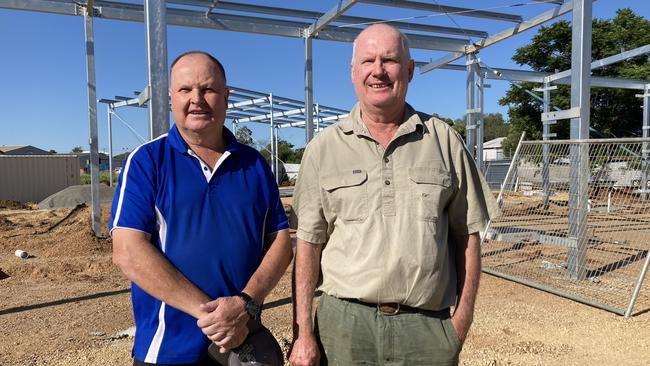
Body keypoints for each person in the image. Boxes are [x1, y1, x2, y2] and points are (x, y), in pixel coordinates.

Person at [289, 24, 498, 366]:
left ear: (410, 70)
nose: (378, 70)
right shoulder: (323, 149)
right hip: (342, 329)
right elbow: (309, 245)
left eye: (390, 60)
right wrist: (304, 333)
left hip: (426, 331)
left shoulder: (443, 141)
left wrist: (460, 323)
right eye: (368, 61)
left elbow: (468, 235)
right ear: (353, 72)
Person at [110, 51, 292, 365]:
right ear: (171, 97)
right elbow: (128, 251)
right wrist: (215, 317)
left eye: (208, 89)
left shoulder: (255, 166)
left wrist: (244, 306)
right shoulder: (147, 161)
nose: (197, 99)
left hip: (241, 344)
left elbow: (280, 242)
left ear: (226, 96)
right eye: (185, 90)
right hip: (168, 349)